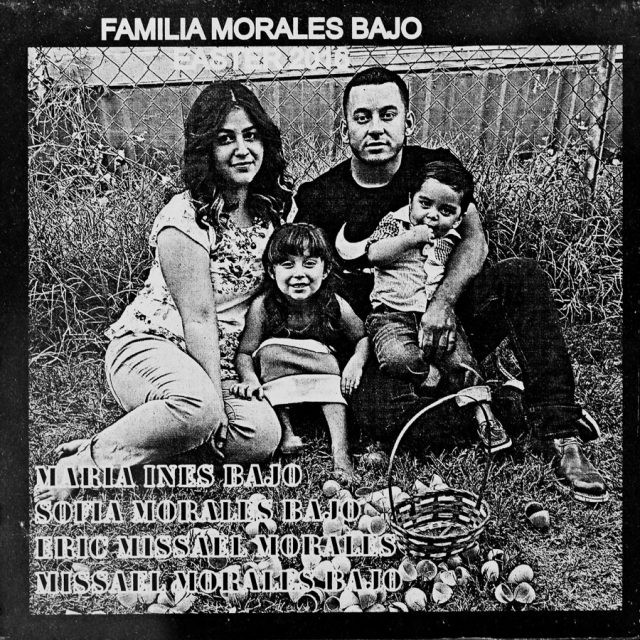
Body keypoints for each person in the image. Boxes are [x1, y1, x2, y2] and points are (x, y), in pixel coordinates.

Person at [295, 66, 608, 503]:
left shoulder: (434, 169)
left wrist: (442, 304)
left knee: (521, 275)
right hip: (386, 339)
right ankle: (511, 407)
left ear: (408, 121)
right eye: (362, 117)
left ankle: (561, 432)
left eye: (388, 114)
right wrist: (359, 343)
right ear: (342, 126)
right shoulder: (319, 196)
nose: (376, 128)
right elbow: (313, 284)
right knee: (378, 417)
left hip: (453, 320)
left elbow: (475, 241)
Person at [36, 81, 292, 502]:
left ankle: (154, 434)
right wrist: (214, 401)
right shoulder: (185, 216)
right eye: (225, 139)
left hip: (218, 364)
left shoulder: (276, 209)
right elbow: (199, 317)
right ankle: (86, 463)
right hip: (151, 347)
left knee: (261, 436)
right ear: (205, 149)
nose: (243, 149)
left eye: (251, 136)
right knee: (201, 410)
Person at [366, 159, 511, 453]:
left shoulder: (449, 239)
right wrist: (409, 238)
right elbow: (375, 254)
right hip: (391, 314)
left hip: (433, 315)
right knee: (396, 356)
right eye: (425, 204)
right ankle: (429, 376)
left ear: (459, 218)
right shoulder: (395, 223)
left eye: (446, 211)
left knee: (462, 358)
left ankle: (485, 415)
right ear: (411, 200)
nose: (432, 216)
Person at [232, 223, 369, 484]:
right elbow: (245, 353)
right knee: (270, 353)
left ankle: (341, 452)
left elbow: (362, 337)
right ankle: (286, 432)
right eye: (287, 264)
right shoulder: (263, 306)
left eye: (309, 264)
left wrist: (356, 362)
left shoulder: (332, 303)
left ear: (325, 269)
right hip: (278, 377)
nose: (299, 274)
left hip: (321, 374)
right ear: (272, 271)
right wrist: (249, 378)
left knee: (329, 364)